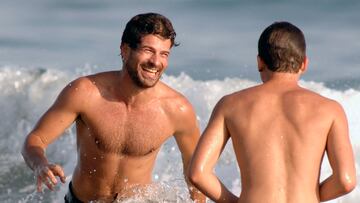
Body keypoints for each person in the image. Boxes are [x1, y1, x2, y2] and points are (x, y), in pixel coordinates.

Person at [22, 13, 205, 202]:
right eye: (148, 50)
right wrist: (40, 165)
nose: (156, 62)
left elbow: (197, 173)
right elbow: (35, 140)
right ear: (125, 50)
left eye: (164, 54)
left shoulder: (177, 110)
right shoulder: (85, 93)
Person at [188, 21, 356, 203]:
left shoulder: (230, 105)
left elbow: (198, 173)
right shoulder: (330, 110)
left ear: (259, 62)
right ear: (304, 64)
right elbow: (345, 181)